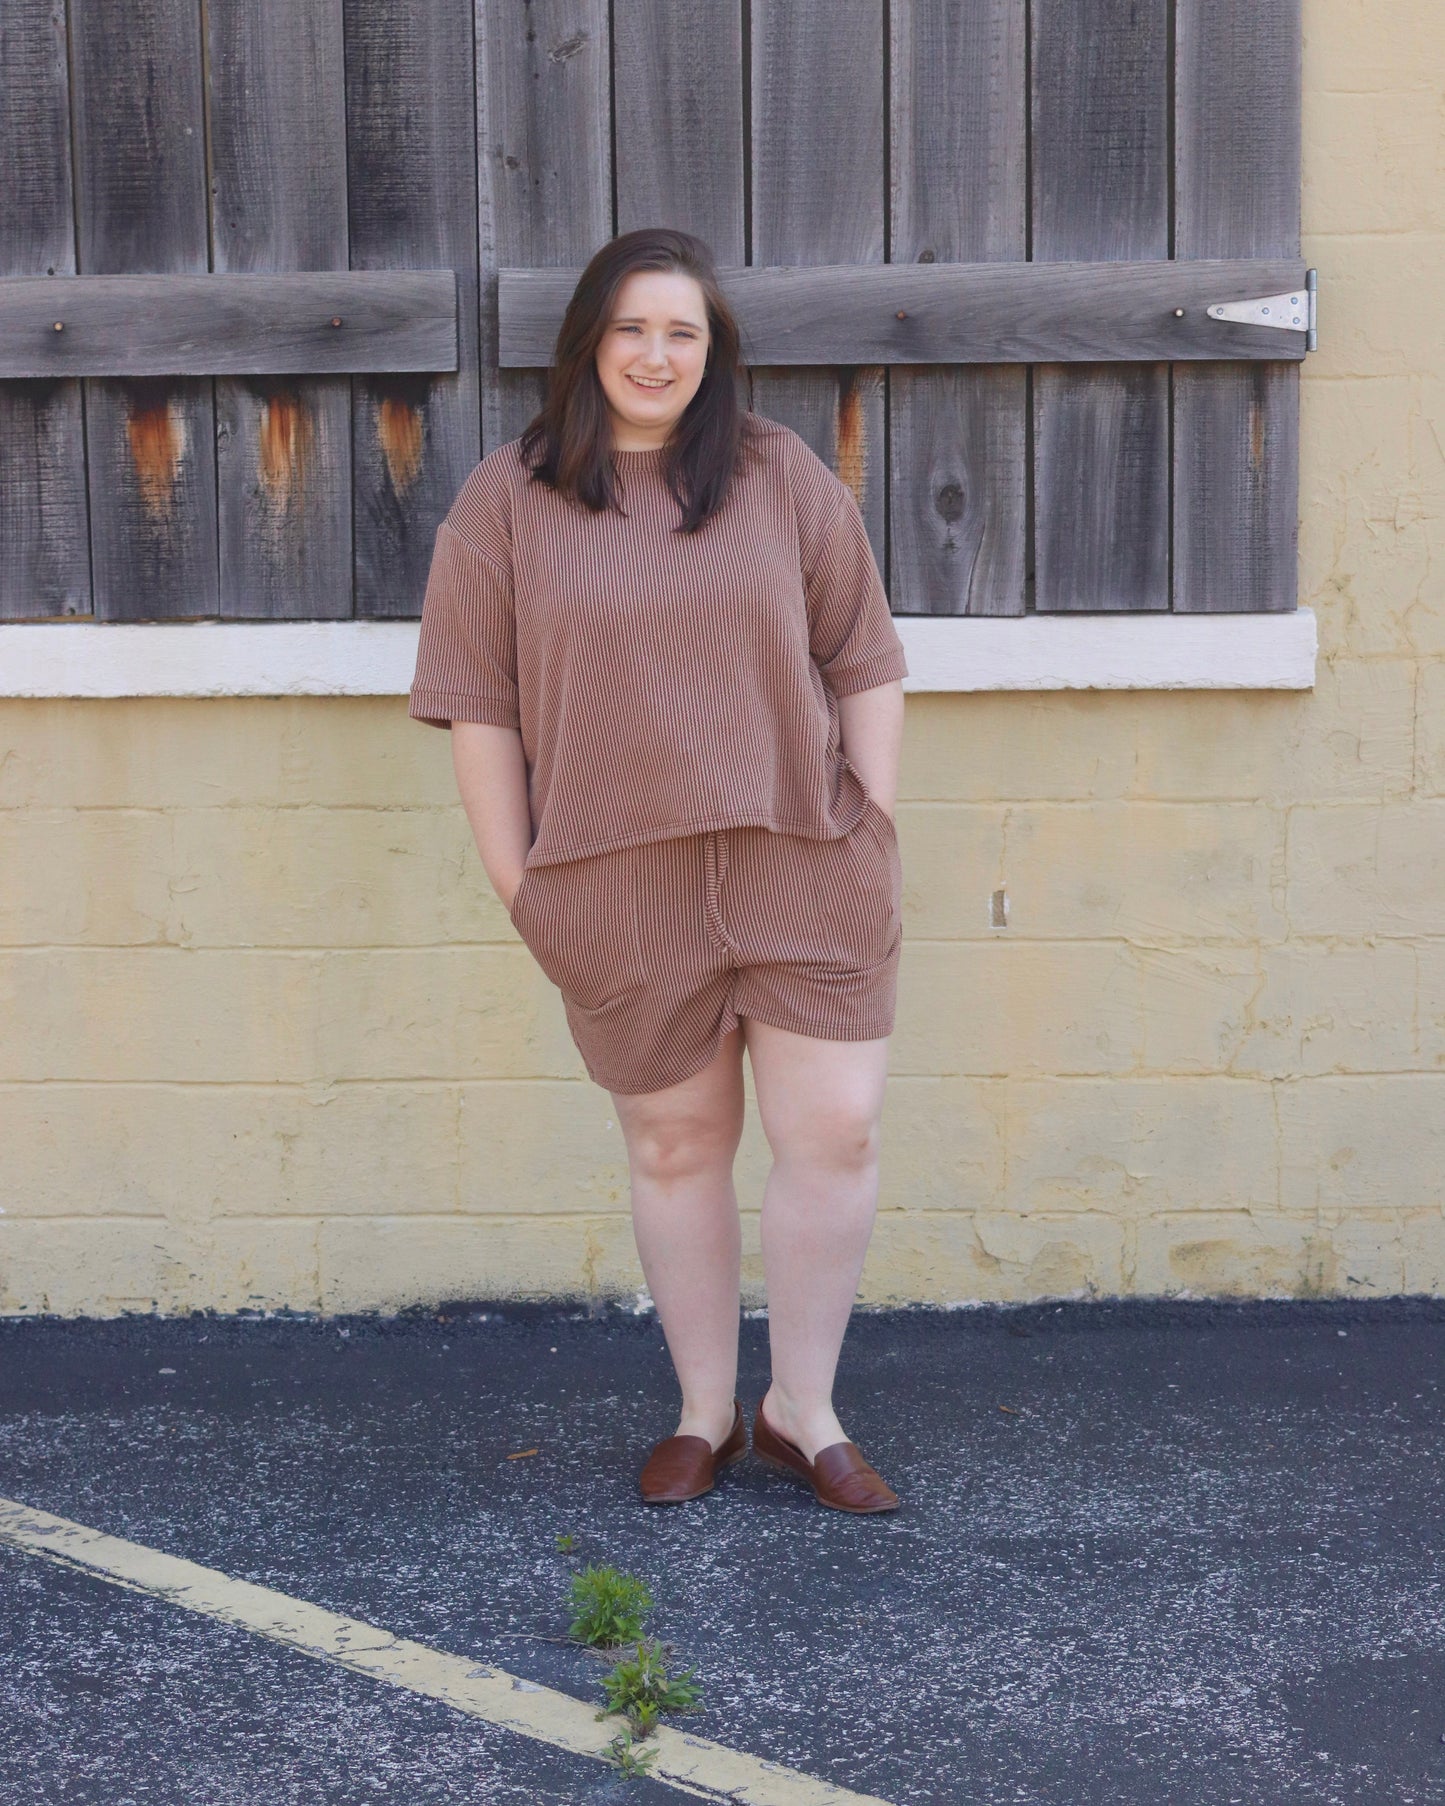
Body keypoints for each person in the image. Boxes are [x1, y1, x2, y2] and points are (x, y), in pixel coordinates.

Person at [408, 228, 906, 1514]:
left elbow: (865, 662)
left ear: (711, 352)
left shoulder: (777, 476)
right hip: (617, 882)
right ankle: (702, 1412)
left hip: (798, 859)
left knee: (833, 1131)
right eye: (631, 327)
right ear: (587, 341)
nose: (655, 352)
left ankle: (803, 1408)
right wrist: (523, 888)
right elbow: (478, 709)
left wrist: (869, 821)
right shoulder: (505, 502)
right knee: (678, 1145)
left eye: (681, 331)